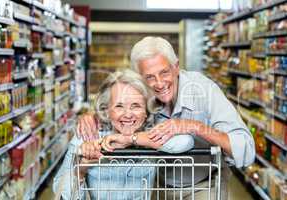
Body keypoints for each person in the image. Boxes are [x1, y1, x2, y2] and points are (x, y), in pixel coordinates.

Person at [77, 36, 256, 199]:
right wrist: (93, 116)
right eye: (149, 77)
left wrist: (193, 126)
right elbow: (119, 109)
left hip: (202, 185)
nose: (160, 83)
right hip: (155, 186)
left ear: (176, 67)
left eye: (164, 72)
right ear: (139, 77)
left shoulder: (205, 90)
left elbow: (245, 148)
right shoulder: (142, 94)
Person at [53, 69, 194, 199]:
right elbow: (60, 192)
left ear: (146, 110)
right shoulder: (89, 134)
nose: (128, 114)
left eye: (136, 106)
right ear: (107, 110)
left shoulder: (151, 131)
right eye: (119, 106)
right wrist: (81, 170)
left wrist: (130, 139)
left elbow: (186, 142)